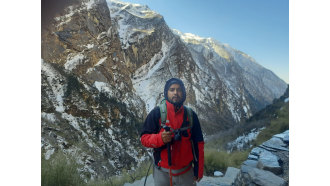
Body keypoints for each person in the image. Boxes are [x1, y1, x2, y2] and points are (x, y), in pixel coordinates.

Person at [140, 78, 204, 186]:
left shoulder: (191, 115)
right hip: (162, 174)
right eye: (172, 89)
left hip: (186, 172)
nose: (176, 92)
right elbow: (144, 139)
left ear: (183, 92)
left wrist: (199, 170)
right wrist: (160, 139)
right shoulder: (157, 114)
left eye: (179, 90)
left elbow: (199, 144)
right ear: (166, 92)